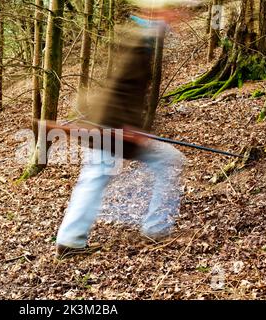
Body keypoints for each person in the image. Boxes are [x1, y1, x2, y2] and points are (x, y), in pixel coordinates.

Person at [55, 1, 195, 259]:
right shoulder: (139, 44)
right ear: (159, 13)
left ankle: (72, 239)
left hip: (112, 127)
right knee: (100, 174)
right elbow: (119, 89)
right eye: (172, 12)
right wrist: (126, 126)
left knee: (97, 176)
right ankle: (153, 228)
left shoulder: (144, 41)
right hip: (112, 128)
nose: (176, 18)